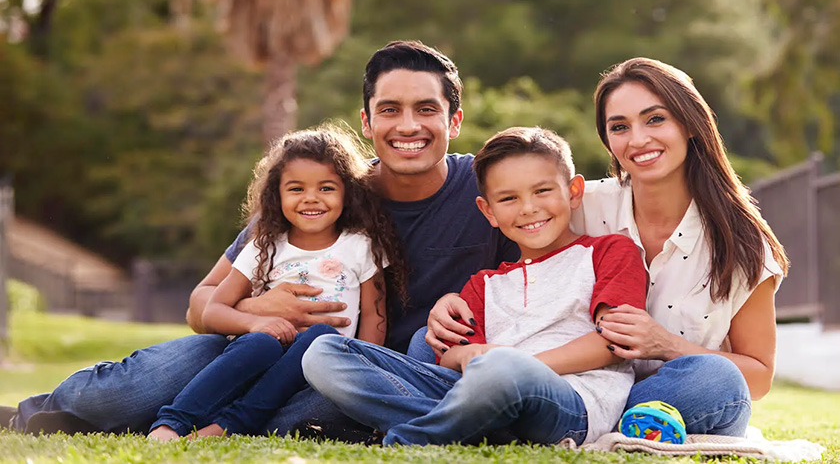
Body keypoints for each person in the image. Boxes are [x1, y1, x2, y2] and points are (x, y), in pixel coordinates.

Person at [5, 40, 518, 436]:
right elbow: (200, 303)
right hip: (257, 348)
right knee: (132, 390)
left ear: (455, 119)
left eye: (426, 109)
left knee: (309, 411)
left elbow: (555, 232)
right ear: (366, 121)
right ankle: (27, 417)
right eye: (390, 109)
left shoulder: (490, 189)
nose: (408, 125)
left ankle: (205, 421)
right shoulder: (323, 195)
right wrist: (260, 307)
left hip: (363, 373)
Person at [425, 57, 789, 437]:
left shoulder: (743, 242)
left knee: (716, 380)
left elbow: (758, 377)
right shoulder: (581, 203)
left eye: (655, 119)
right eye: (619, 127)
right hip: (565, 378)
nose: (638, 139)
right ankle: (524, 412)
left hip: (656, 396)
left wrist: (664, 345)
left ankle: (546, 420)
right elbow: (517, 271)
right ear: (607, 140)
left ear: (690, 124)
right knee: (430, 342)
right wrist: (451, 303)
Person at [302, 126, 648, 446]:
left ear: (573, 192)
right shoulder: (485, 284)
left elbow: (613, 341)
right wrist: (472, 356)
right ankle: (474, 427)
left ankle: (406, 439)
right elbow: (453, 357)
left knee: (499, 371)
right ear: (489, 211)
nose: (529, 208)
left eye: (542, 191)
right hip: (479, 392)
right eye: (509, 199)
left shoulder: (609, 251)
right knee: (324, 353)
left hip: (571, 399)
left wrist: (511, 362)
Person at [146, 126, 407, 440]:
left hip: (321, 366)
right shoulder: (264, 245)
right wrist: (255, 323)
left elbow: (375, 317)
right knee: (261, 342)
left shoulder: (361, 246)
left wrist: (363, 369)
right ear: (276, 194)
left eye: (326, 188)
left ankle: (226, 426)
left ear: (347, 192)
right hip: (260, 353)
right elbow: (213, 310)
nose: (311, 198)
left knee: (320, 336)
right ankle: (171, 423)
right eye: (296, 189)